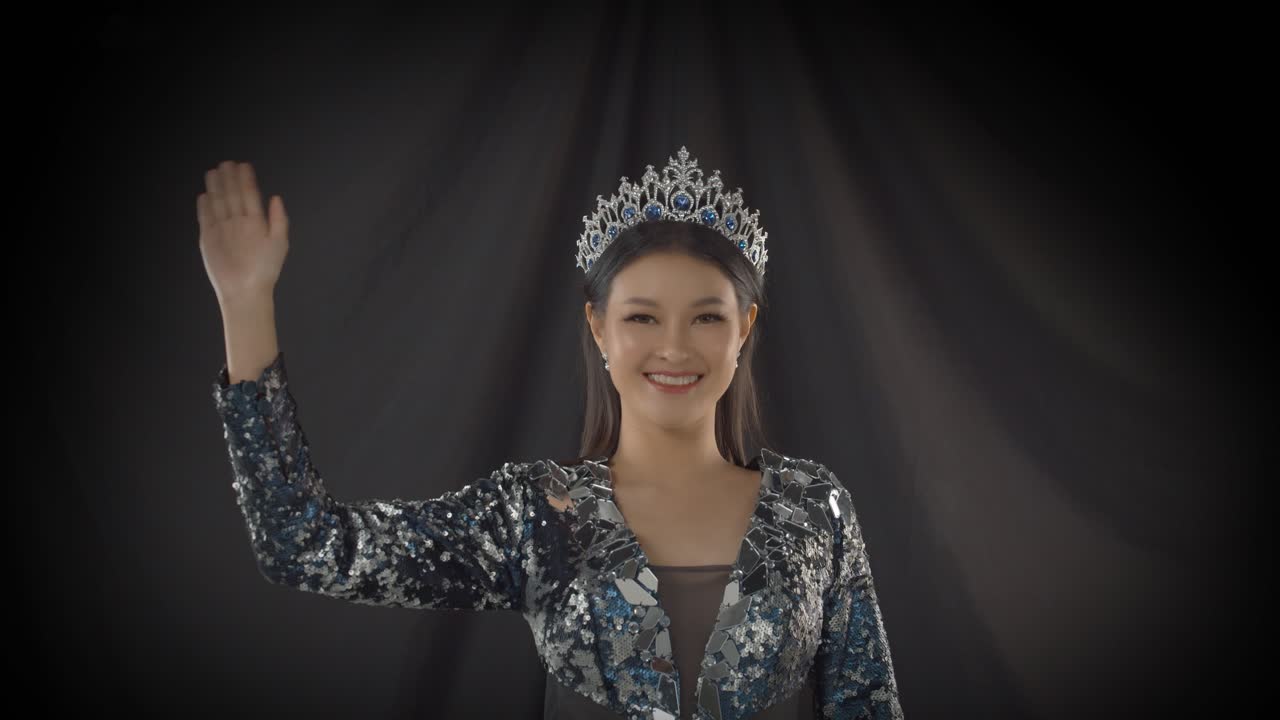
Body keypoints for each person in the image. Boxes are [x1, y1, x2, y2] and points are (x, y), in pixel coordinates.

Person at [200, 147, 904, 719]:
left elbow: (868, 705)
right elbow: (306, 545)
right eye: (642, 317)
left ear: (744, 328)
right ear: (599, 327)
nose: (675, 347)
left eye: (707, 317)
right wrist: (245, 304)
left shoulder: (815, 510)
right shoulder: (537, 513)